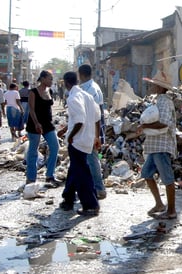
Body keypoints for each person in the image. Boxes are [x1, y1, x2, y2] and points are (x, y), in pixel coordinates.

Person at [59, 71, 101, 216]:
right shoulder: (87, 96)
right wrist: (96, 136)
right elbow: (97, 117)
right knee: (76, 169)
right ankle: (68, 199)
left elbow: (80, 120)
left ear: (66, 82)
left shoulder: (73, 98)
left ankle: (91, 205)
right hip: (86, 139)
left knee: (82, 173)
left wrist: (70, 136)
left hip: (78, 141)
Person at [137, 70, 177, 220]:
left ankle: (171, 210)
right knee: (146, 174)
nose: (151, 87)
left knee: (167, 178)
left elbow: (164, 124)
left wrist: (145, 126)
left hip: (162, 145)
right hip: (155, 146)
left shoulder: (164, 101)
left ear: (160, 88)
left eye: (153, 85)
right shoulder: (160, 100)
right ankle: (160, 204)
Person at [26, 70, 60, 186]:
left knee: (55, 147)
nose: (51, 81)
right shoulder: (33, 92)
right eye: (50, 78)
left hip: (48, 124)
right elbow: (31, 109)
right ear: (43, 78)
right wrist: (36, 123)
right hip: (34, 124)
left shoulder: (49, 90)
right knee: (33, 151)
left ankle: (49, 175)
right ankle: (31, 178)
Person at [78, 64, 107, 199]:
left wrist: (96, 136)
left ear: (81, 75)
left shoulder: (90, 90)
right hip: (92, 129)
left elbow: (94, 115)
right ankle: (92, 187)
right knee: (89, 159)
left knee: (92, 158)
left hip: (91, 129)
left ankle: (99, 188)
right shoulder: (92, 87)